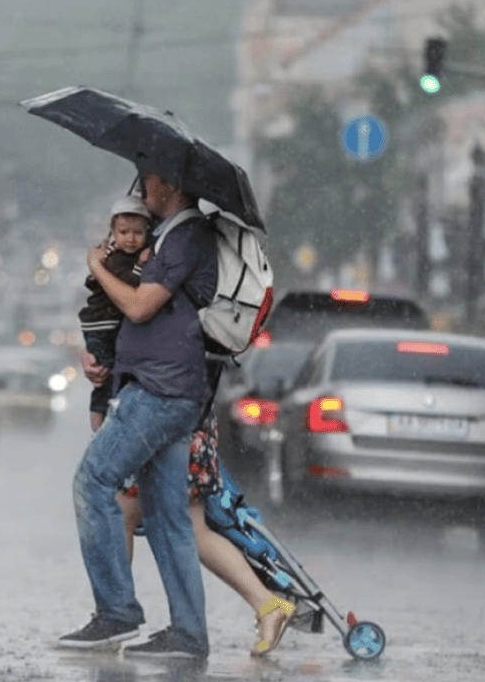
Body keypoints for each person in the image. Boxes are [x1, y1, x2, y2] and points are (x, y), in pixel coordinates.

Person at [59, 167, 217, 659]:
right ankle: (188, 634)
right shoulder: (168, 236)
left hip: (161, 389)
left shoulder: (186, 235)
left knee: (93, 481)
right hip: (159, 385)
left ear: (168, 185)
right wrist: (102, 360)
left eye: (147, 179)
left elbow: (141, 307)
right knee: (170, 518)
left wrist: (95, 264)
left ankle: (117, 611)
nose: (141, 188)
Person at [114, 412, 296, 657]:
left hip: (165, 417)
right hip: (185, 416)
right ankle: (267, 604)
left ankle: (115, 618)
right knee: (192, 528)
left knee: (120, 514)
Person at [78, 195, 152, 431]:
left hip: (106, 327)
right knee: (108, 377)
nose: (130, 239)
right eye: (124, 232)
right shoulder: (115, 259)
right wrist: (142, 265)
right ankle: (99, 430)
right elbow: (130, 289)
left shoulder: (113, 256)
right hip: (102, 327)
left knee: (108, 379)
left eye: (137, 233)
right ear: (113, 232)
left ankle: (101, 428)